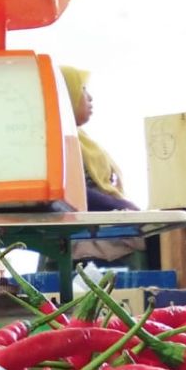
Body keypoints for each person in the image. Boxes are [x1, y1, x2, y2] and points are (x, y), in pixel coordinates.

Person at [58, 66, 146, 266]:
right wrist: (123, 207)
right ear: (66, 96)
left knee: (175, 236)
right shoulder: (63, 142)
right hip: (83, 232)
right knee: (164, 238)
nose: (90, 98)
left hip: (99, 223)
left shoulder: (81, 139)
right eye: (82, 90)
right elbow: (77, 193)